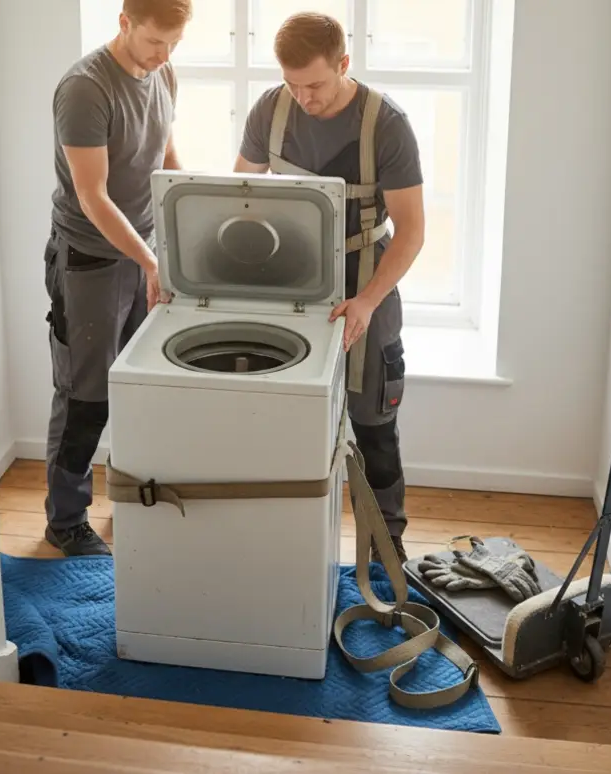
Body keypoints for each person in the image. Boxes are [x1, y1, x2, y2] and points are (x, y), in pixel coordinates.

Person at [235, 11, 425, 563]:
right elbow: (238, 196)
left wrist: (367, 302)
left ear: (344, 64)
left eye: (315, 84)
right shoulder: (270, 110)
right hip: (288, 283)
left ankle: (388, 552)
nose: (304, 98)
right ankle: (286, 549)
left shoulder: (387, 125)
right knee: (284, 419)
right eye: (293, 84)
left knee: (374, 429)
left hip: (366, 280)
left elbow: (412, 233)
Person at [43, 0, 192, 556]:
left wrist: (194, 227)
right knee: (86, 395)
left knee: (136, 387)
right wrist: (149, 262)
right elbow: (93, 196)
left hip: (145, 252)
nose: (164, 55)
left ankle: (127, 497)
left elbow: (167, 161)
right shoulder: (85, 89)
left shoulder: (163, 72)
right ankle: (65, 520)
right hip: (89, 260)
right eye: (156, 42)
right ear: (124, 23)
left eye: (175, 44)